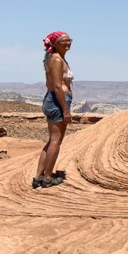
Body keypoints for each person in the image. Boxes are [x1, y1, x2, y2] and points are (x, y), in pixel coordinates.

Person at [33, 31, 74, 189]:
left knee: (52, 140)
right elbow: (57, 86)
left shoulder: (57, 58)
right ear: (55, 44)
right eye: (65, 41)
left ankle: (39, 177)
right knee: (56, 141)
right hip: (57, 101)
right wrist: (66, 110)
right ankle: (48, 178)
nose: (68, 43)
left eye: (70, 40)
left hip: (53, 100)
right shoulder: (57, 59)